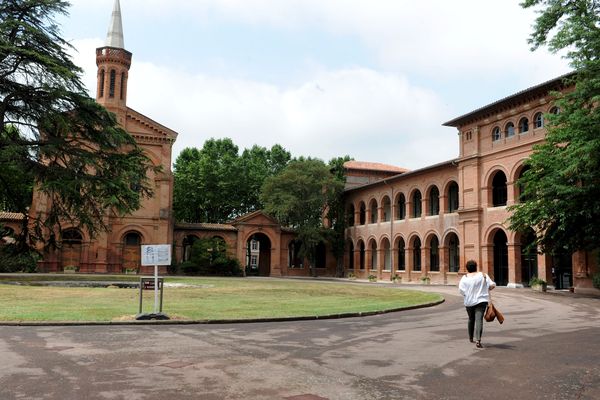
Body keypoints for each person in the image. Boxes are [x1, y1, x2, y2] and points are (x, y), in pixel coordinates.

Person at [458, 260, 496, 348]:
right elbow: (492, 285)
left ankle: (471, 338)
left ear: (467, 268)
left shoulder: (464, 278)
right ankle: (478, 340)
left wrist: (467, 294)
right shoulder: (483, 275)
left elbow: (461, 290)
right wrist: (486, 289)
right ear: (476, 267)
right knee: (479, 320)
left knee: (471, 319)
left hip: (469, 302)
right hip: (481, 301)